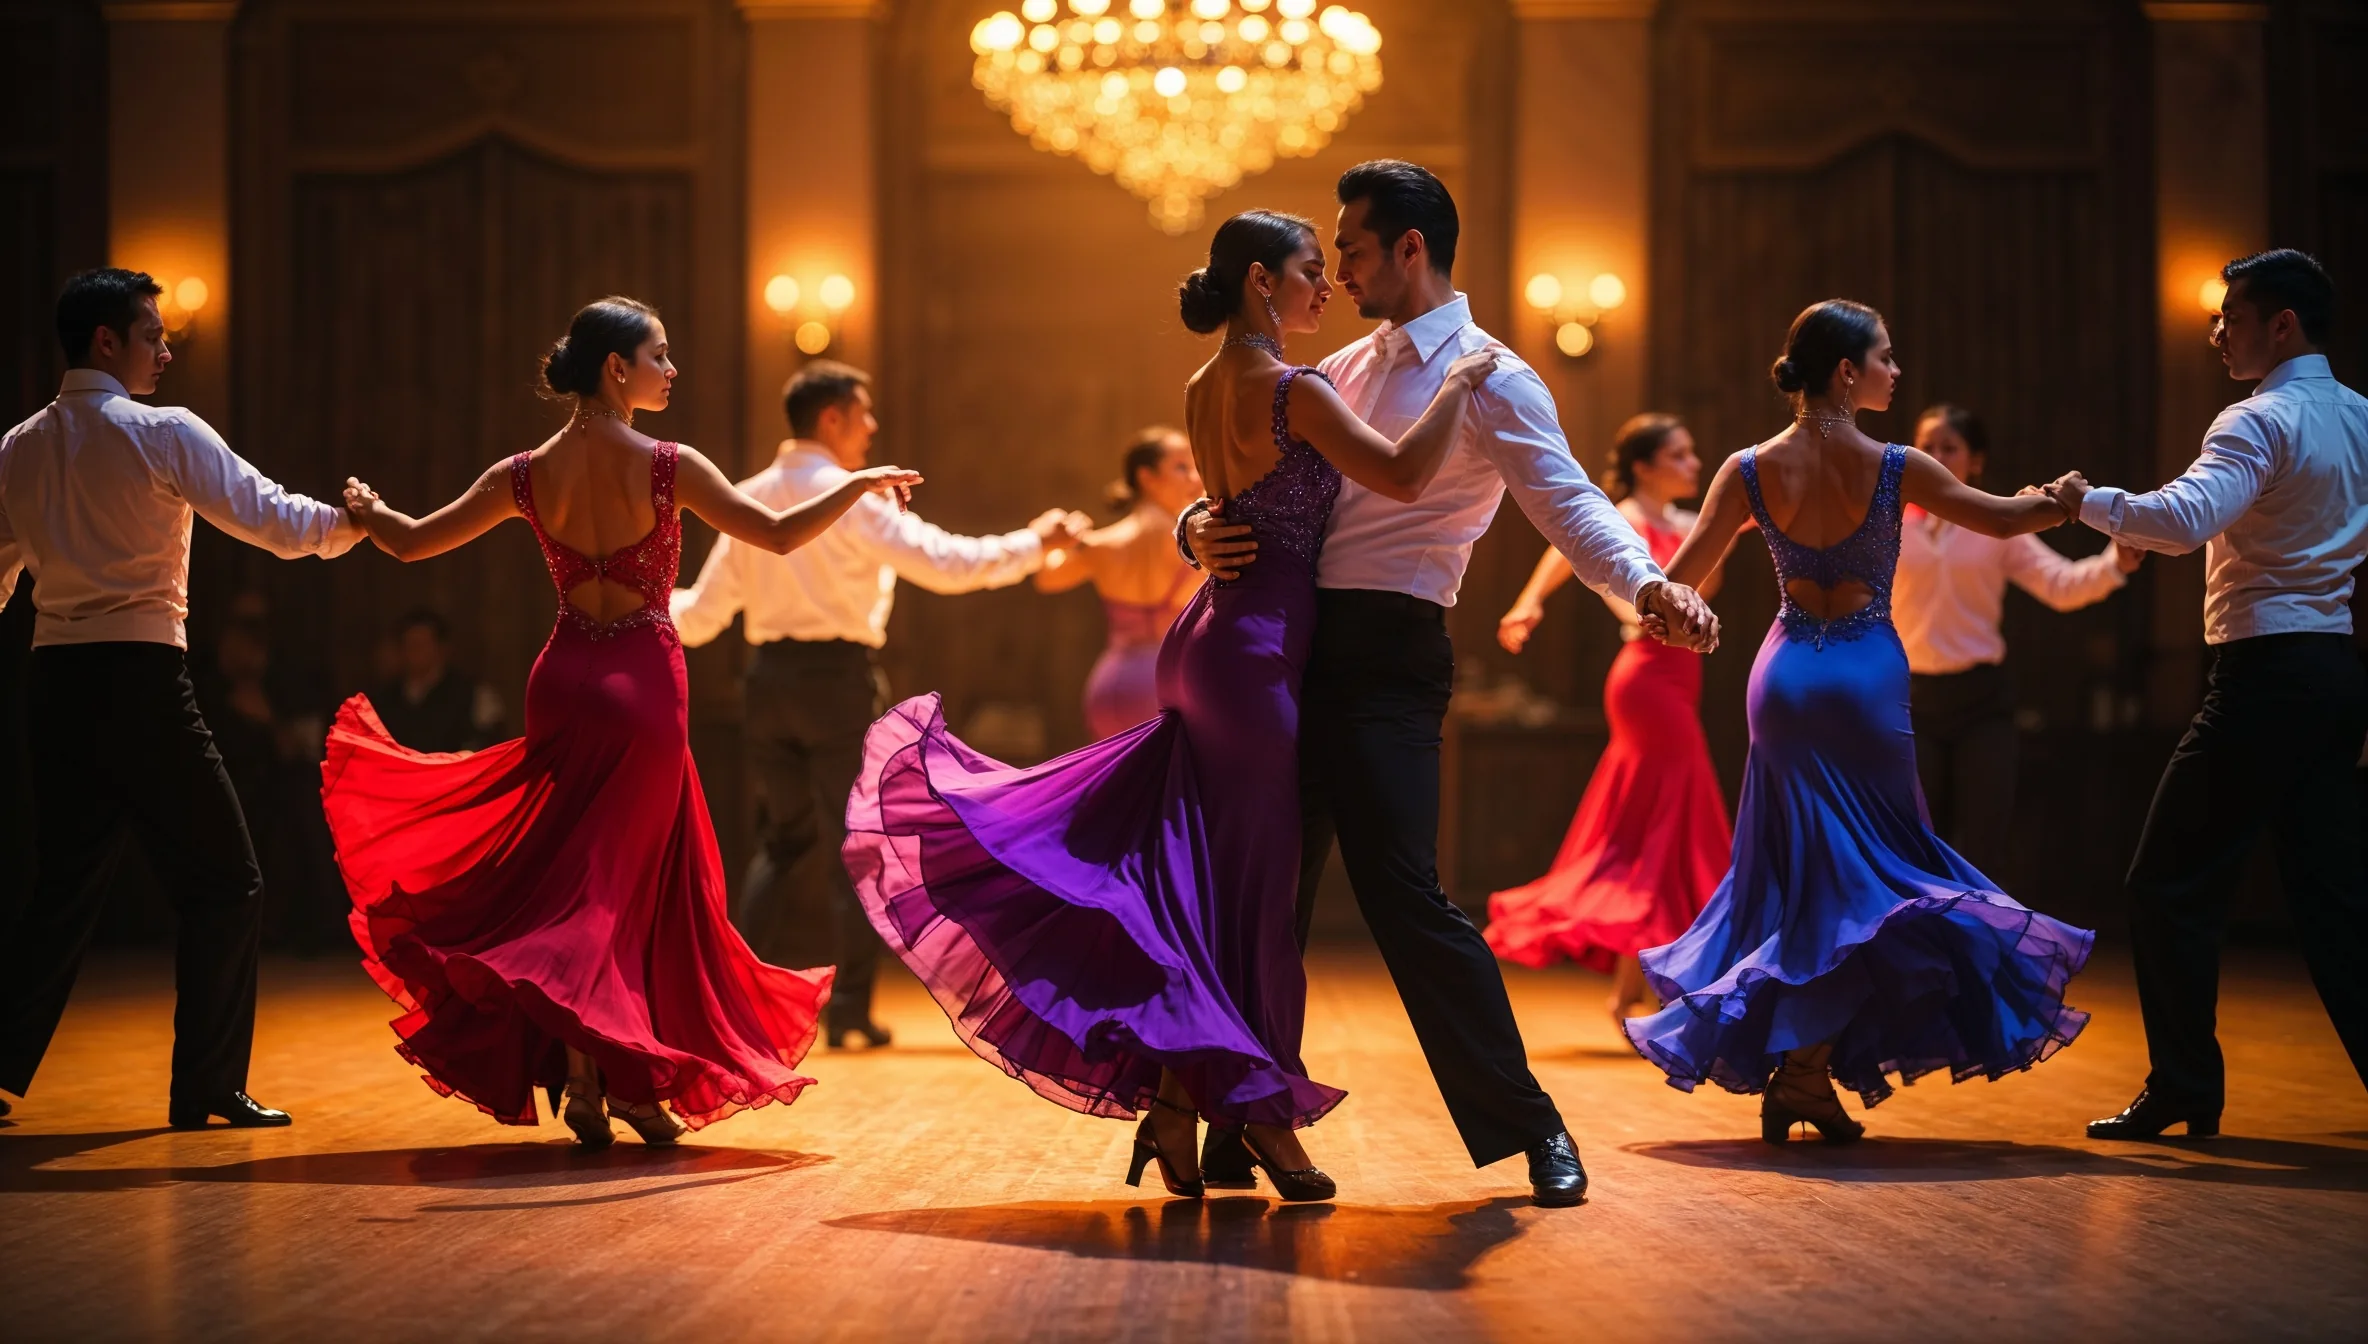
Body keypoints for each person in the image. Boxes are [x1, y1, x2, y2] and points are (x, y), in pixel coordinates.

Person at [844, 208, 1513, 1204]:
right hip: (1251, 660)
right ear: (1258, 281)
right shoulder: (1294, 388)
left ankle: (1169, 1109)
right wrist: (1462, 379)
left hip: (1207, 639)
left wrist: (1197, 527)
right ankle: (1264, 1118)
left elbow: (1216, 506)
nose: (1323, 288)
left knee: (1209, 894)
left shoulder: (1204, 385)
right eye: (1305, 272)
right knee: (1253, 905)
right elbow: (1410, 477)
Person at [1181, 162, 1720, 1204]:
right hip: (1289, 651)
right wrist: (1190, 528)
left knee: (1407, 898)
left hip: (1391, 659)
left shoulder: (1494, 374)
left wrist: (1650, 585)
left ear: (1410, 250)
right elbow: (1254, 482)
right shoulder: (1334, 366)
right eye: (1328, 253)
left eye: (1352, 247)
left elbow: (1568, 503)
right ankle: (1237, 1117)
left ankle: (1532, 1128)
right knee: (1262, 895)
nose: (1335, 269)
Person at [326, 297, 921, 1147]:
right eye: (660, 357)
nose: (671, 371)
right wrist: (857, 485)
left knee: (580, 879)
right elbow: (782, 536)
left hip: (563, 677)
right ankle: (602, 1075)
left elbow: (415, 541)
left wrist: (368, 508)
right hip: (641, 684)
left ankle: (605, 1075)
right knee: (619, 892)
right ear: (617, 369)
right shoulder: (669, 464)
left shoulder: (525, 473)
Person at [1622, 299, 2094, 1144]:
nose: (1896, 371)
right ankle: (1803, 1072)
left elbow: (1671, 585)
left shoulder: (1747, 468)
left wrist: (1671, 616)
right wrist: (2063, 500)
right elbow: (2004, 517)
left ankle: (1804, 1073)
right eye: (1885, 357)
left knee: (1800, 881)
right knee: (1871, 882)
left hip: (1787, 680)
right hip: (1869, 681)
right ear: (1846, 372)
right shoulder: (1896, 465)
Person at [0, 268, 363, 1129]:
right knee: (228, 884)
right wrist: (358, 523)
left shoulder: (17, 446)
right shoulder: (161, 432)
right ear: (106, 342)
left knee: (61, 888)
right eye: (153, 334)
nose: (167, 349)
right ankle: (205, 1086)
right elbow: (269, 516)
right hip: (143, 683)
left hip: (54, 687)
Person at [670, 359, 1086, 1049]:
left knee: (780, 841)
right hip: (837, 682)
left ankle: (732, 1001)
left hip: (766, 681)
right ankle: (850, 1011)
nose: (872, 428)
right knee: (858, 846)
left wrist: (629, 596)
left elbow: (704, 617)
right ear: (830, 418)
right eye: (863, 415)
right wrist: (1036, 543)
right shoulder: (854, 497)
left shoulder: (747, 495)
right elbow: (949, 566)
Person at [2052, 250, 2368, 1140]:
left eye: (2231, 315)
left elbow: (2183, 521)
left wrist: (2086, 500)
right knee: (2337, 900)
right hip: (2334, 671)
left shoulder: (2256, 420)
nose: (2216, 330)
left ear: (2282, 326)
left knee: (2164, 883)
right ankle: (2189, 1083)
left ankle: (2186, 1084)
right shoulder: (2361, 419)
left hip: (2265, 675)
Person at [1487, 413, 1732, 1029]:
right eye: (1680, 454)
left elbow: (1708, 587)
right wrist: (1528, 603)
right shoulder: (1620, 516)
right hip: (1646, 680)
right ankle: (1656, 983)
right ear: (1645, 465)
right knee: (1670, 818)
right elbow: (1564, 548)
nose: (1694, 464)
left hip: (1681, 678)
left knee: (1659, 828)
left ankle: (1631, 991)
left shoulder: (1683, 524)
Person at [1897, 403, 2140, 879]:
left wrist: (2115, 564)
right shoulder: (1891, 524)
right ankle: (1924, 950)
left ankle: (1981, 951)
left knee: (1985, 843)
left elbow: (2060, 584)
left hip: (1981, 702)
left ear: (1976, 461)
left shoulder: (1996, 521)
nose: (1935, 456)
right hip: (1912, 701)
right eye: (1926, 447)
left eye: (1949, 447)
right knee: (1919, 843)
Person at [1033, 425, 1206, 739]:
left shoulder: (1100, 544)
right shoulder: (1198, 545)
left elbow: (1047, 578)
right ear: (1146, 477)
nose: (1194, 478)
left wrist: (1047, 538)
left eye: (1194, 468)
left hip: (1111, 687)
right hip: (1169, 683)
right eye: (1182, 467)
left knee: (1116, 785)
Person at [367, 608, 507, 754]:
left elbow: (490, 748)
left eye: (422, 644)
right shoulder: (384, 699)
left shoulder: (474, 694)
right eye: (409, 645)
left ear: (441, 648)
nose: (415, 653)